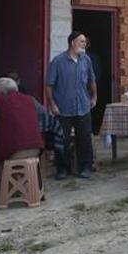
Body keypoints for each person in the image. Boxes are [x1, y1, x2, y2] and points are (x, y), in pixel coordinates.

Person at [0, 78, 45, 191]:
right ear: (17, 88)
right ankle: (18, 185)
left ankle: (3, 183)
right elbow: (43, 111)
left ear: (1, 92)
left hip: (14, 152)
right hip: (36, 149)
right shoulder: (30, 99)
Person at [46, 31, 97, 180]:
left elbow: (91, 80)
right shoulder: (58, 61)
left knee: (85, 139)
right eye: (81, 41)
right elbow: (49, 85)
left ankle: (85, 167)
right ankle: (62, 169)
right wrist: (52, 104)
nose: (84, 44)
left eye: (85, 42)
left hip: (83, 106)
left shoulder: (86, 60)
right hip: (63, 108)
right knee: (62, 140)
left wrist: (94, 96)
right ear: (72, 43)